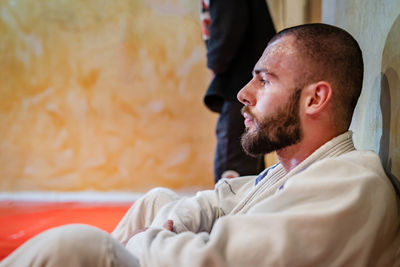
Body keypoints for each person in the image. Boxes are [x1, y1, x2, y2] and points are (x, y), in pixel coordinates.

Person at [1, 23, 399, 267]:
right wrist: (170, 224)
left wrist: (149, 241)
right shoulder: (293, 167)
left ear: (315, 99)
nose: (243, 93)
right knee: (157, 200)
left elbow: (215, 262)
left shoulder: (351, 185)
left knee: (79, 246)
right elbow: (220, 199)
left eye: (264, 80)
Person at [200, 0, 276, 181]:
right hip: (246, 80)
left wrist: (215, 64)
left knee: (234, 164)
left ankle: (236, 210)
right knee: (246, 157)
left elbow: (227, 29)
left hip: (240, 82)